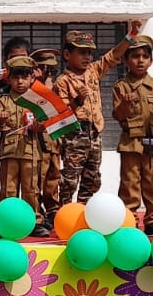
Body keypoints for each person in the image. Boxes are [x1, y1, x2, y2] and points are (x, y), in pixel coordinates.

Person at [52, 22, 143, 206]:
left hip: (94, 132)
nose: (87, 57)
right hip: (74, 134)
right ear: (67, 55)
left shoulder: (93, 71)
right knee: (70, 177)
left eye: (89, 53)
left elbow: (113, 56)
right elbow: (60, 112)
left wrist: (131, 35)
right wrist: (77, 100)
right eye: (81, 52)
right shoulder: (62, 81)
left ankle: (85, 210)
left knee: (92, 177)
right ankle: (64, 212)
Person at [111, 36, 153, 234]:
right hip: (131, 142)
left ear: (151, 61)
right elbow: (117, 115)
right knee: (129, 182)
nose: (140, 60)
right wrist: (125, 105)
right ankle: (129, 218)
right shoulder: (121, 87)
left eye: (145, 56)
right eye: (135, 56)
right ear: (126, 60)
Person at [0, 55, 42, 210]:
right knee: (8, 189)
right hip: (9, 152)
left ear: (32, 78)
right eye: (15, 77)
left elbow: (46, 124)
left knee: (31, 189)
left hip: (31, 151)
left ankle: (34, 221)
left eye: (24, 77)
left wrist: (38, 126)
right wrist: (0, 121)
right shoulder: (3, 100)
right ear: (8, 79)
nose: (20, 82)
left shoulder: (37, 100)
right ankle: (7, 220)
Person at [31, 48, 64, 230]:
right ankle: (37, 215)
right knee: (37, 179)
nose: (48, 73)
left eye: (52, 70)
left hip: (53, 139)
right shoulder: (31, 89)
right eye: (45, 69)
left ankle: (52, 211)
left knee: (53, 177)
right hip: (38, 141)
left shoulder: (55, 87)